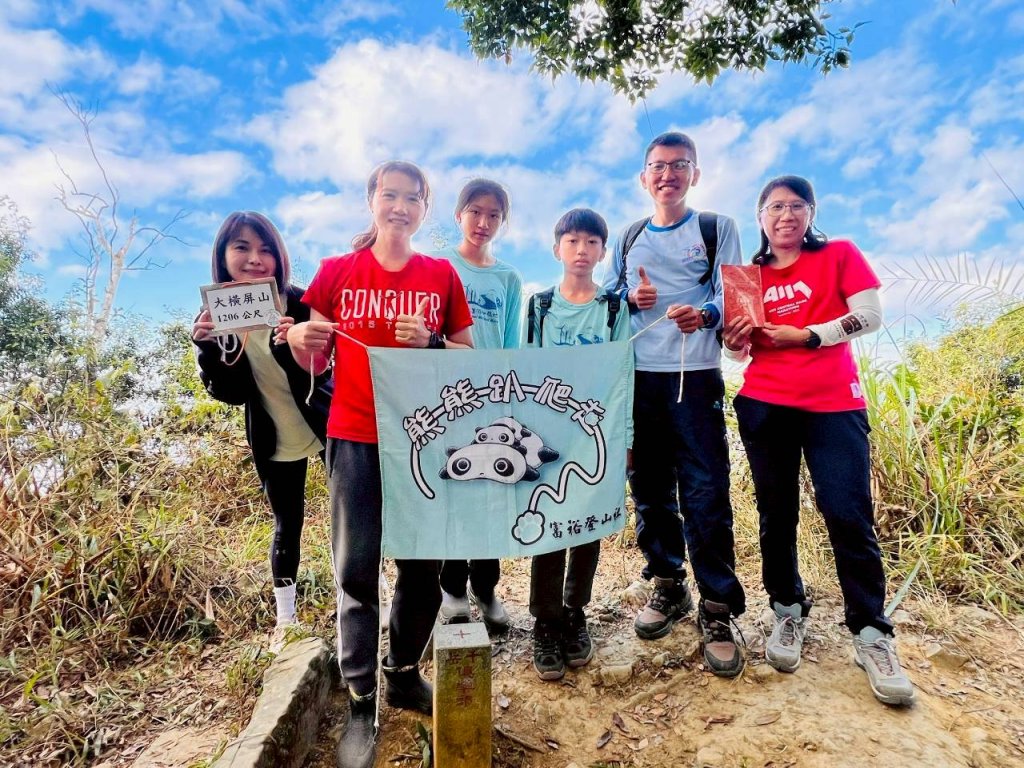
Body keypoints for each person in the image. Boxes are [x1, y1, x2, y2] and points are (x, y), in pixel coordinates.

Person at [287, 161, 474, 768]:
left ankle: (401, 670)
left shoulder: (441, 275)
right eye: (388, 195)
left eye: (411, 198)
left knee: (424, 564)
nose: (399, 206)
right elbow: (309, 345)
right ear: (371, 200)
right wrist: (302, 341)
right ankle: (361, 701)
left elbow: (466, 357)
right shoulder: (336, 272)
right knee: (356, 567)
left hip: (425, 442)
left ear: (425, 208)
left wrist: (433, 343)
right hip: (355, 434)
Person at [722, 175, 915, 706]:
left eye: (796, 206)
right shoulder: (745, 276)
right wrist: (734, 340)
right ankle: (786, 609)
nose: (785, 215)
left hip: (835, 404)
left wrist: (810, 335)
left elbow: (870, 315)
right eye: (775, 206)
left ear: (811, 212)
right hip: (765, 403)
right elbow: (739, 354)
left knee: (848, 512)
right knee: (775, 512)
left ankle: (871, 632)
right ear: (760, 216)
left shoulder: (839, 255)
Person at [601, 131, 746, 677]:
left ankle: (717, 606)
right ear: (644, 177)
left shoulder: (716, 228)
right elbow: (608, 297)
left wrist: (705, 315)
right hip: (638, 378)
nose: (668, 174)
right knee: (651, 488)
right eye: (658, 166)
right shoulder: (629, 235)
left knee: (706, 489)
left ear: (695, 175)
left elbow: (733, 292)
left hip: (696, 377)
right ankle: (667, 583)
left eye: (679, 165)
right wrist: (628, 297)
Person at [192, 211, 329, 654]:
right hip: (273, 433)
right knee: (287, 523)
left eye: (265, 249)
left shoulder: (302, 303)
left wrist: (296, 344)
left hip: (326, 425)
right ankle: (285, 621)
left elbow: (328, 374)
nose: (255, 259)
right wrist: (207, 350)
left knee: (350, 514)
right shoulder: (217, 317)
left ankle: (364, 592)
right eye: (242, 248)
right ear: (224, 256)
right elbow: (230, 393)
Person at [523, 208, 631, 680]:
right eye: (572, 241)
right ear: (556, 249)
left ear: (603, 251)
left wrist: (625, 438)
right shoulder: (539, 306)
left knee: (587, 524)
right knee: (547, 522)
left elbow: (622, 375)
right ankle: (544, 621)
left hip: (597, 435)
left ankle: (575, 612)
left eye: (591, 242)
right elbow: (525, 372)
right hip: (548, 437)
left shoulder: (612, 307)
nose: (581, 250)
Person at [437, 178, 521, 632]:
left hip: (491, 399)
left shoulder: (508, 277)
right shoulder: (437, 266)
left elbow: (510, 344)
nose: (483, 222)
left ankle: (486, 587)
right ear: (458, 215)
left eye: (493, 215)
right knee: (453, 485)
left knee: (491, 491)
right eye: (475, 211)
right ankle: (450, 587)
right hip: (446, 397)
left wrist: (507, 399)